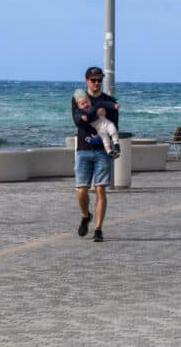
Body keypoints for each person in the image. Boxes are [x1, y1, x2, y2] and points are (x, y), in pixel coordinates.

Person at [72, 66, 119, 243]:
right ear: (87, 81)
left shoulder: (109, 101)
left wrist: (103, 140)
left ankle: (98, 229)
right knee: (81, 190)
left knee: (100, 189)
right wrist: (95, 113)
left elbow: (113, 126)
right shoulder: (79, 99)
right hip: (83, 149)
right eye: (93, 80)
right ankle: (85, 216)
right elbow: (78, 122)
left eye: (99, 80)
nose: (97, 83)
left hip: (102, 151)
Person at [74, 88, 121, 158]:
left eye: (86, 102)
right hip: (99, 128)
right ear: (79, 106)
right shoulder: (80, 111)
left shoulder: (95, 105)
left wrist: (113, 105)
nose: (85, 104)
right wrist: (81, 117)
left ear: (90, 101)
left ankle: (116, 144)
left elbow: (105, 104)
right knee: (105, 139)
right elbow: (77, 117)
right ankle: (109, 152)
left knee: (113, 130)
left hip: (106, 123)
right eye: (82, 104)